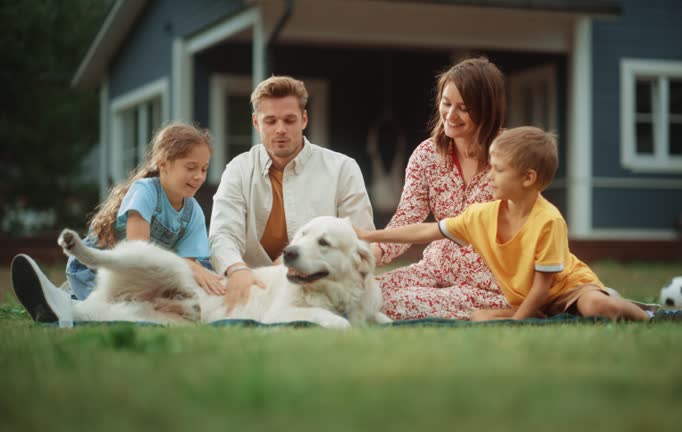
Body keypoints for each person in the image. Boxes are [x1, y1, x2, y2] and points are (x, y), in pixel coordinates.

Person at [358, 126, 682, 323]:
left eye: (498, 170)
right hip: (522, 298)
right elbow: (428, 230)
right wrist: (371, 234)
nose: (489, 176)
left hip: (564, 290)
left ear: (528, 178)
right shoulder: (483, 215)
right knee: (482, 317)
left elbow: (544, 287)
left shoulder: (548, 221)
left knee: (596, 307)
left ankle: (650, 316)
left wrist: (518, 323)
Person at [11, 122, 222, 322]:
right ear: (163, 164)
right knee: (104, 306)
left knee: (183, 283)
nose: (198, 177)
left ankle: (65, 302)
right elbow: (137, 250)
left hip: (141, 277)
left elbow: (189, 263)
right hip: (102, 269)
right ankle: (61, 300)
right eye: (191, 167)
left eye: (203, 169)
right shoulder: (146, 191)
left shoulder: (193, 211)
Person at [209, 75, 375, 311]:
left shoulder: (343, 168)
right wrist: (236, 270)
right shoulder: (238, 169)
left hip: (318, 290)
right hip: (251, 288)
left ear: (304, 119)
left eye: (289, 120)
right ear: (256, 123)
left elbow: (361, 239)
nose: (280, 130)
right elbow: (222, 235)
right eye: (270, 121)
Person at [370, 57, 508, 320]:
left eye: (464, 108)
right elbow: (408, 216)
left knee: (397, 305)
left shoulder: (510, 154)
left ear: (487, 110)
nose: (451, 115)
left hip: (488, 283)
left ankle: (502, 312)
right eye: (446, 103)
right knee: (366, 294)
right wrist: (374, 252)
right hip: (435, 268)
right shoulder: (426, 155)